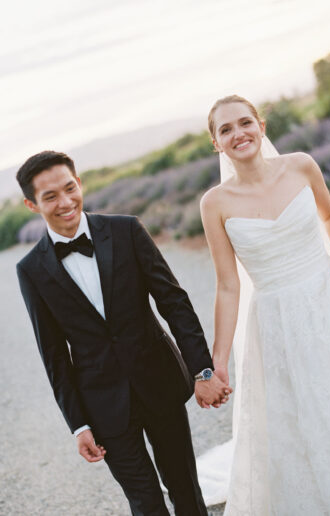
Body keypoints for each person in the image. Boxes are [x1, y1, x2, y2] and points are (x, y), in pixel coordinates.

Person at [199, 95, 330, 515]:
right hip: (276, 321)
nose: (238, 134)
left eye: (244, 123)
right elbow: (228, 285)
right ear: (216, 143)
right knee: (307, 417)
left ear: (261, 126)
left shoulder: (302, 165)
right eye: (226, 129)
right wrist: (218, 361)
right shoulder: (215, 203)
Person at [15, 150, 232, 516]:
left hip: (159, 381)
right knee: (144, 503)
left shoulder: (126, 230)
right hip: (102, 404)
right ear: (32, 204)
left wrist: (203, 371)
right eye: (50, 196)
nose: (65, 202)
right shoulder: (31, 269)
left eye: (70, 188)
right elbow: (52, 354)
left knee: (185, 489)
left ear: (79, 183)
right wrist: (78, 425)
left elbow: (174, 303)